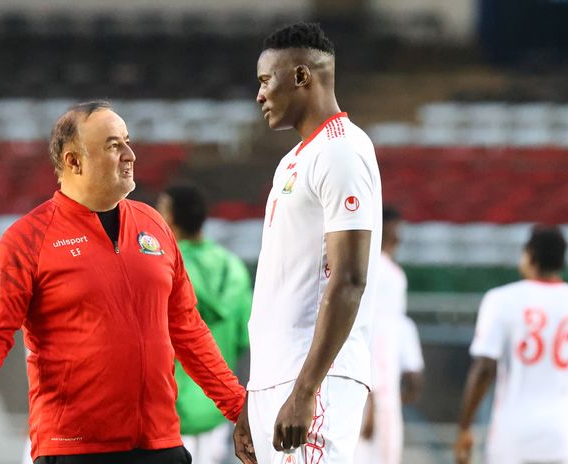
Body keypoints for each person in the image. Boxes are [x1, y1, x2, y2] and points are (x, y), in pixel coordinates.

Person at [0, 100, 246, 464]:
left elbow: (187, 328)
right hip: (75, 449)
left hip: (160, 444)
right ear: (73, 161)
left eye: (128, 142)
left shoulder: (154, 226)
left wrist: (237, 406)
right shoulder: (27, 238)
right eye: (114, 145)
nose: (131, 154)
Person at [234, 22, 383, 464]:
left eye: (265, 80)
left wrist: (304, 390)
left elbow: (350, 279)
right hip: (275, 381)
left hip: (315, 380)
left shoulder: (342, 151)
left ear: (301, 76)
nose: (259, 94)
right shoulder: (293, 160)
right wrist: (255, 393)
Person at [455, 225, 568, 464]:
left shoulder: (500, 300)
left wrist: (465, 427)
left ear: (529, 255)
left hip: (511, 436)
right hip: (564, 435)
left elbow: (484, 369)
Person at [156, 184, 253, 464]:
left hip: (169, 410)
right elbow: (243, 338)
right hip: (220, 409)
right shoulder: (232, 267)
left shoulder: (162, 265)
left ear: (170, 217)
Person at [355, 206, 424, 464]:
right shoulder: (377, 271)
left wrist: (412, 362)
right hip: (374, 387)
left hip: (383, 383)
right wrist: (371, 395)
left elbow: (397, 325)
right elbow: (370, 331)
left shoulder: (391, 273)